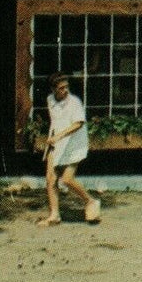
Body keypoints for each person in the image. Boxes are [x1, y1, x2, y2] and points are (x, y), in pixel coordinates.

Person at [38, 73, 99, 226]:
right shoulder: (50, 100)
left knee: (66, 179)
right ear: (53, 89)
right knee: (50, 179)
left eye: (67, 87)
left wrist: (59, 136)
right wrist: (53, 138)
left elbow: (78, 124)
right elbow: (56, 120)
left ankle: (91, 201)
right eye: (61, 88)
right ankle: (54, 215)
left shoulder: (75, 102)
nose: (65, 91)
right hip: (56, 143)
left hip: (74, 144)